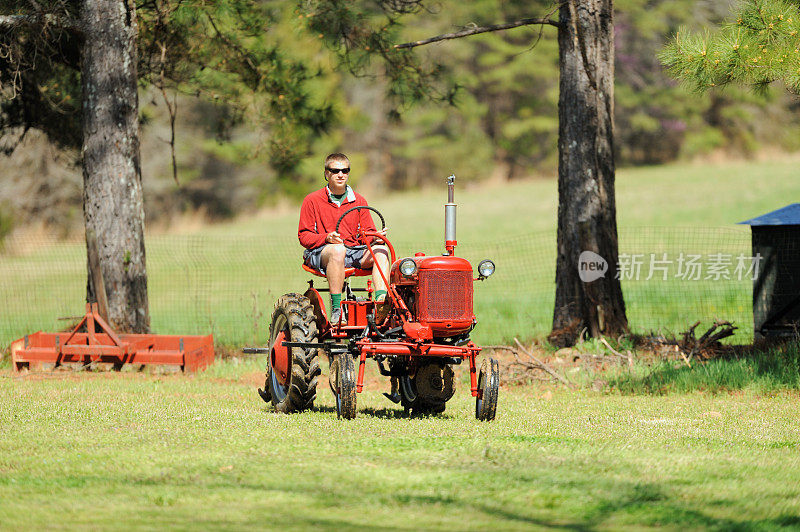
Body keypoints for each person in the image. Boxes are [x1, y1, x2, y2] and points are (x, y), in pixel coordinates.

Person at [298, 153, 390, 323]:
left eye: (344, 170)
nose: (340, 174)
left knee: (381, 250)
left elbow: (366, 233)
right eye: (335, 170)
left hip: (353, 252)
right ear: (326, 174)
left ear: (348, 173)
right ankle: (336, 309)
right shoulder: (312, 200)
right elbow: (304, 236)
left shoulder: (358, 200)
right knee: (337, 250)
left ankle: (381, 304)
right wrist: (327, 238)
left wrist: (375, 237)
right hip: (321, 253)